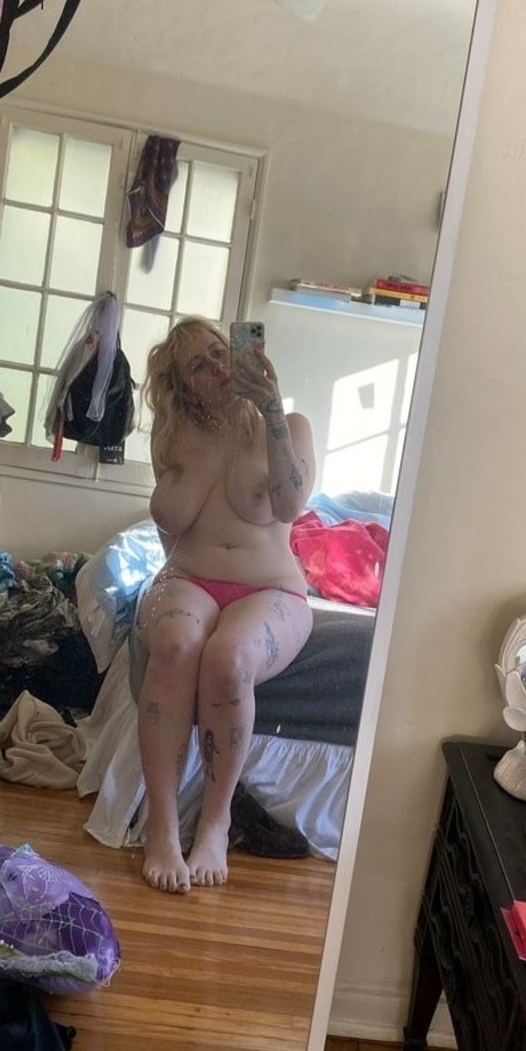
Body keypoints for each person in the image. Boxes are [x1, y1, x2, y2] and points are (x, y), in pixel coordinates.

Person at [134, 317, 315, 892]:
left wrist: (272, 410)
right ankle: (162, 825)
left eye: (219, 352)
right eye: (198, 365)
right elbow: (169, 528)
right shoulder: (173, 436)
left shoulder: (289, 425)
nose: (216, 367)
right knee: (176, 643)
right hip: (188, 578)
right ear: (182, 386)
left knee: (229, 658)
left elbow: (290, 504)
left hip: (271, 590)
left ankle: (215, 823)